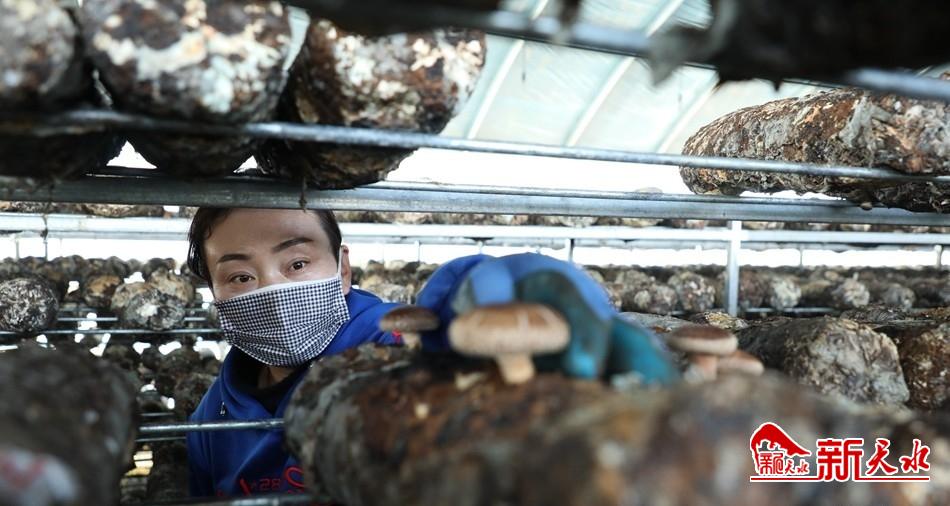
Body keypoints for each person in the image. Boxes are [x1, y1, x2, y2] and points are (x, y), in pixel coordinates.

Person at [185, 207, 677, 498]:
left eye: (296, 263)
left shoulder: (390, 343)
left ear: (342, 269)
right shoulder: (212, 417)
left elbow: (445, 346)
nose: (272, 289)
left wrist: (490, 291)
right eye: (240, 276)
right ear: (214, 292)